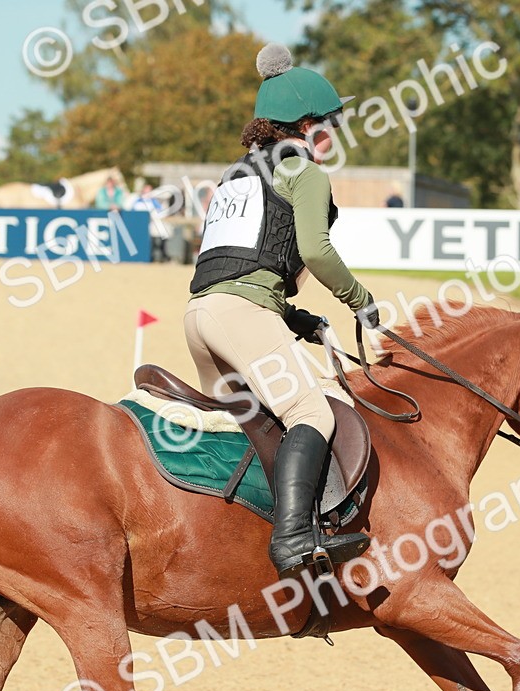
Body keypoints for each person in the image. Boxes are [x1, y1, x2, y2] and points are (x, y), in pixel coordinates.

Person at [184, 43, 378, 578]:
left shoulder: (237, 175)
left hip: (202, 316)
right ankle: (293, 540)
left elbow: (238, 266)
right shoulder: (306, 173)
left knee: (251, 425)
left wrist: (296, 319)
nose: (335, 133)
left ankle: (231, 537)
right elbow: (315, 250)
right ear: (308, 123)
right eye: (331, 121)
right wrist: (360, 301)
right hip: (239, 316)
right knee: (310, 413)